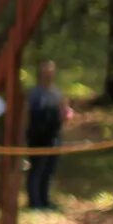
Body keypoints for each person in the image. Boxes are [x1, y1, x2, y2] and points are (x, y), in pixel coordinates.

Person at [23, 58, 70, 211]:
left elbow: (64, 113)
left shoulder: (57, 93)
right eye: (45, 72)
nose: (48, 75)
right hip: (37, 137)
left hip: (53, 137)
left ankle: (45, 200)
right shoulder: (34, 94)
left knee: (49, 170)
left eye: (50, 72)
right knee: (37, 168)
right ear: (40, 74)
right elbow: (26, 115)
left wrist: (64, 115)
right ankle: (34, 202)